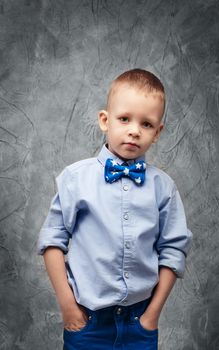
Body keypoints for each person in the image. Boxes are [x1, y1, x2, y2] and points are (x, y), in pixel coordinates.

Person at [37, 68, 192, 350]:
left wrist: (151, 316)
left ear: (157, 133)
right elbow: (51, 242)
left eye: (146, 124)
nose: (134, 130)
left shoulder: (164, 188)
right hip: (88, 323)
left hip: (139, 323)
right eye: (124, 119)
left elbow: (173, 250)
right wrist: (68, 307)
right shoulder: (75, 179)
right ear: (105, 121)